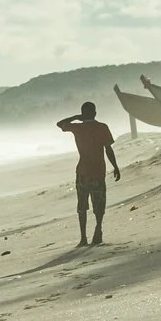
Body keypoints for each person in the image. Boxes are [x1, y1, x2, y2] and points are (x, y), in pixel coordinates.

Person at [56, 101, 120, 246]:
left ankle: (83, 238)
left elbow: (60, 124)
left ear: (83, 114)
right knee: (99, 204)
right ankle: (98, 229)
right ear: (95, 113)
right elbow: (108, 149)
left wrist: (76, 117)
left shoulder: (77, 127)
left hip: (83, 173)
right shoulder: (102, 127)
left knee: (82, 206)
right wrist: (115, 166)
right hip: (98, 172)